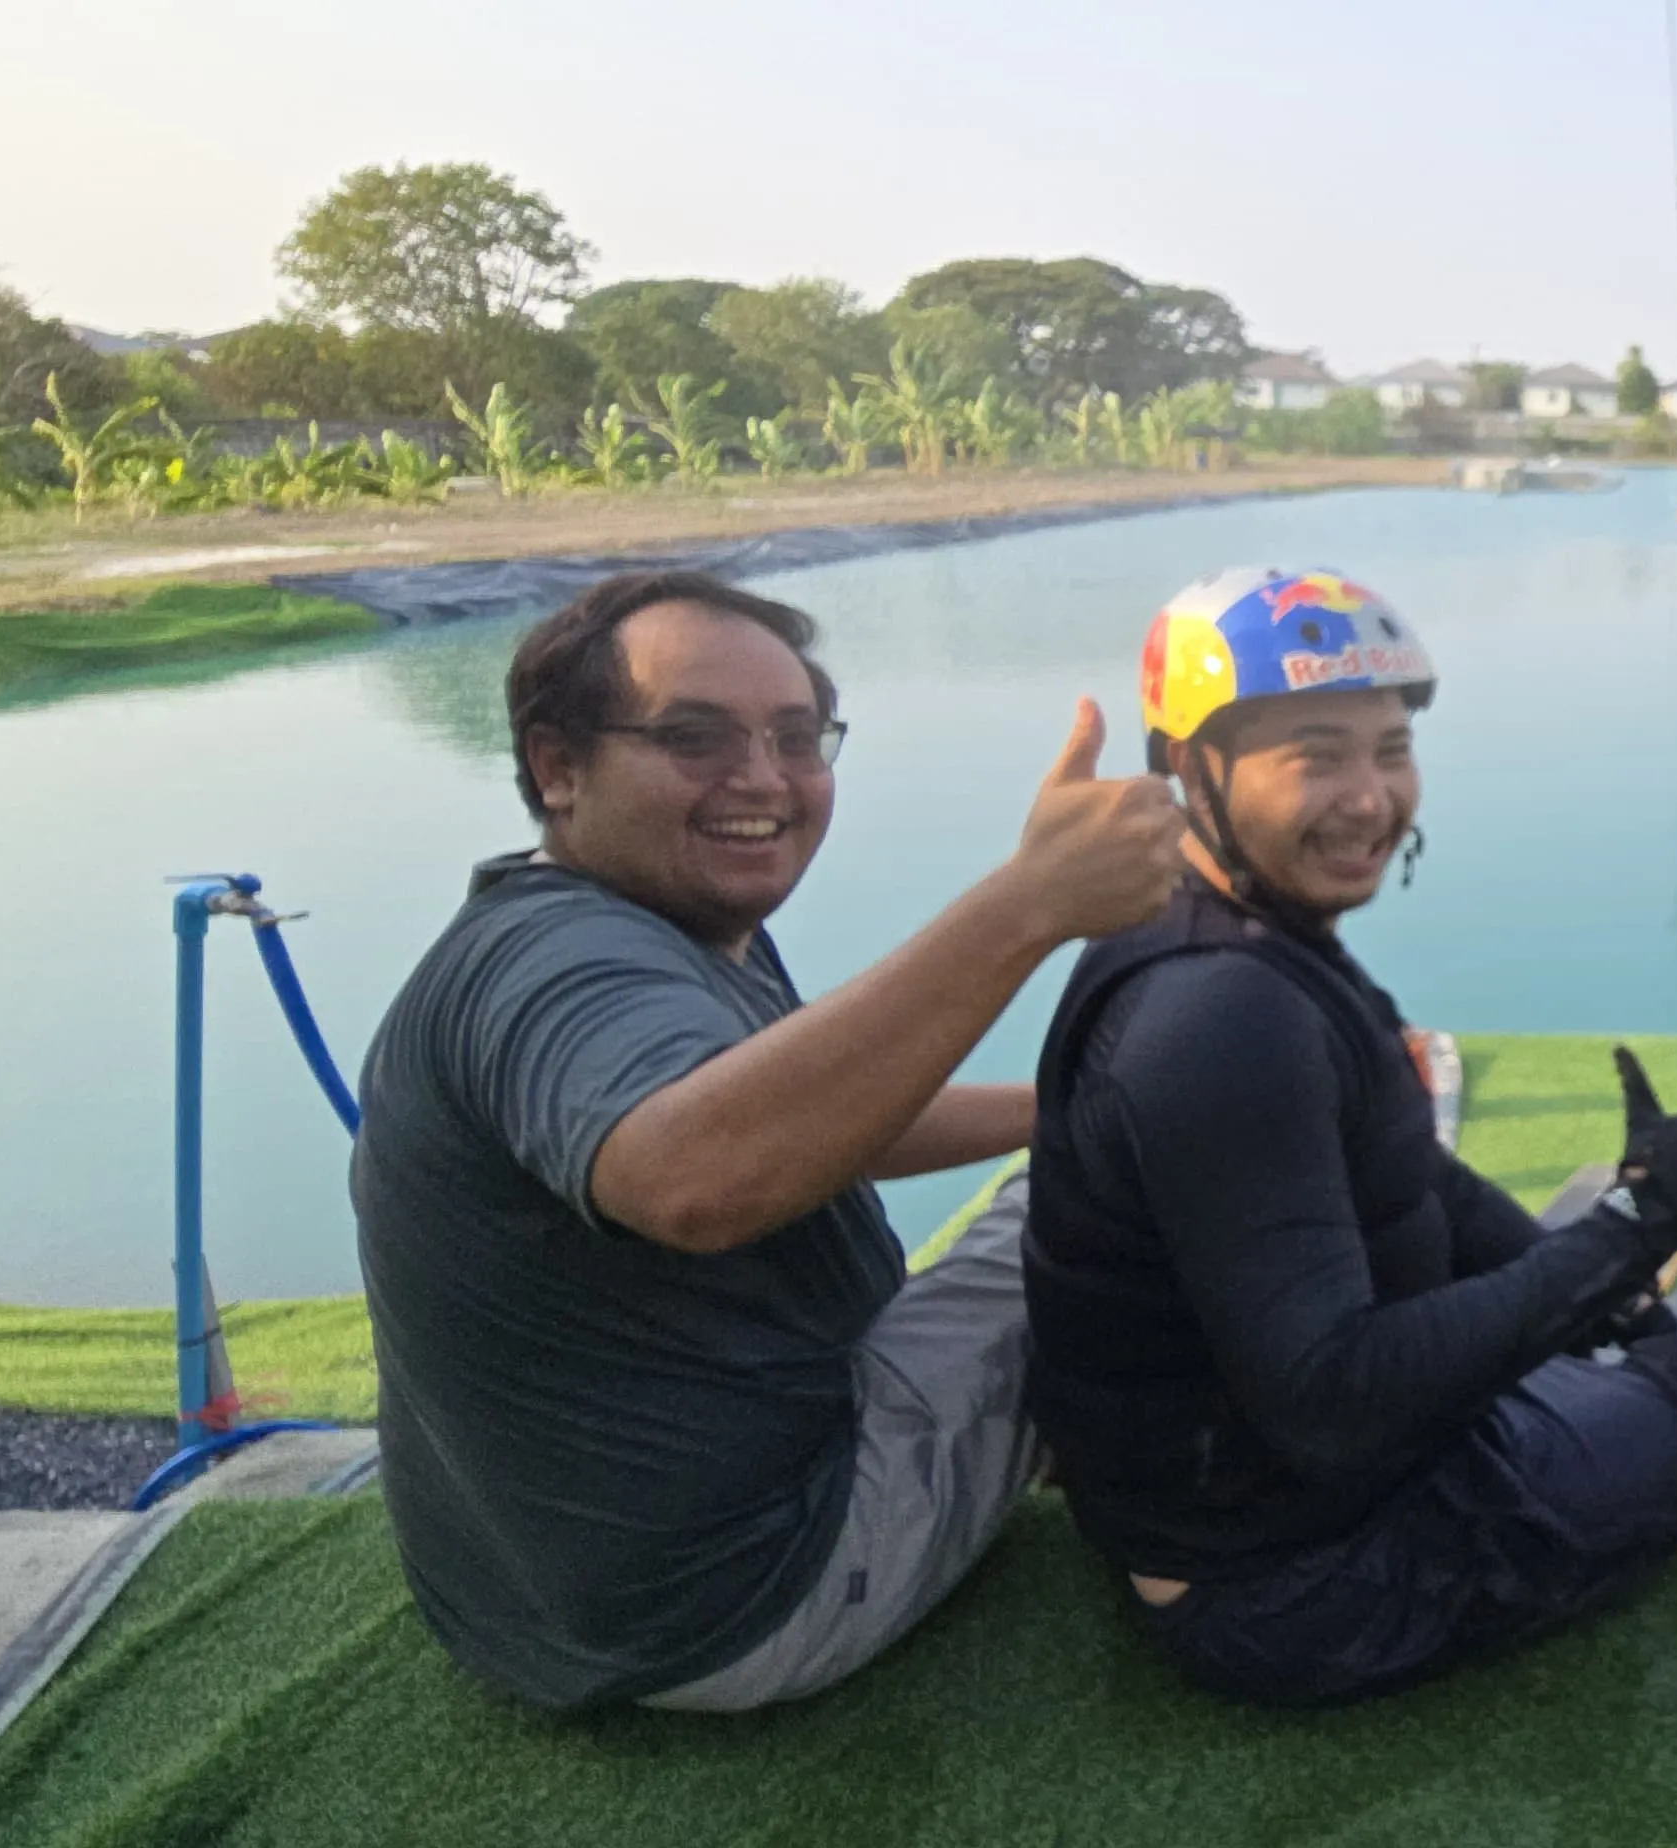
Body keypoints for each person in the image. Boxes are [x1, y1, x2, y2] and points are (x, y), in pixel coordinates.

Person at [352, 568, 1188, 1711]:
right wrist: (1029, 904)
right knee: (1116, 1201)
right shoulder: (557, 968)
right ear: (558, 768)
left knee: (1091, 1156)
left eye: (797, 737)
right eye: (694, 736)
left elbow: (808, 1117)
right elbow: (699, 1177)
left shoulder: (671, 917)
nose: (761, 779)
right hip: (752, 1588)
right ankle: (1219, 1532)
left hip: (537, 1611)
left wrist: (1067, 1111)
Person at [1023, 567, 1677, 1708]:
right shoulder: (1220, 1016)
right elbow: (1330, 1400)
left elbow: (1413, 1178)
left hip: (1309, 1489)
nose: (1371, 798)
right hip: (1298, 1580)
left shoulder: (1235, 933)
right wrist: (1632, 1228)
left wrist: (1608, 1294)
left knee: (1668, 1356)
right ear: (1191, 769)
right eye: (1317, 755)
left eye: (1390, 749)